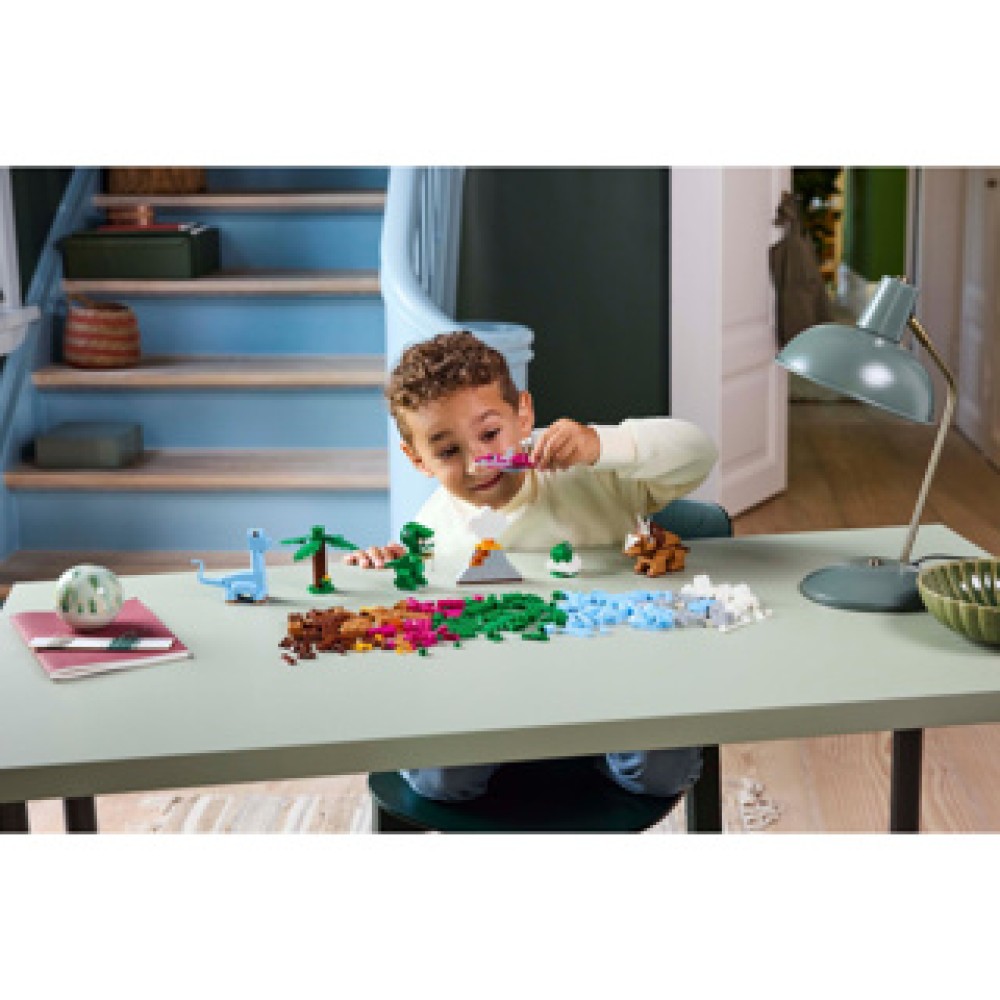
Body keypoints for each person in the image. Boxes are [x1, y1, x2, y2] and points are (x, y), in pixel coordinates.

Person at [345, 330, 718, 802]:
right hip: (491, 698)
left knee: (661, 770)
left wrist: (602, 445)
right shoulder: (430, 530)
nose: (479, 463)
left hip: (615, 681)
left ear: (523, 415)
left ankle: (585, 751)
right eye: (448, 451)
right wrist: (377, 565)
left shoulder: (592, 470)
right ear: (417, 459)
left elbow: (699, 452)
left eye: (489, 435)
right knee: (441, 780)